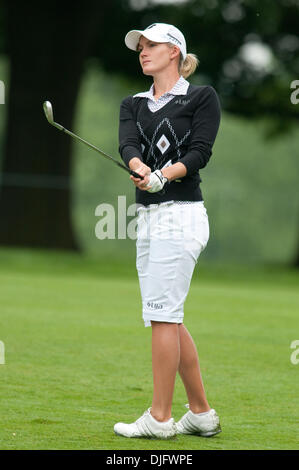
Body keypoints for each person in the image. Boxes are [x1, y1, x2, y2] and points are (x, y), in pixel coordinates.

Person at [114, 23, 221, 439]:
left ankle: (160, 418)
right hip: (149, 218)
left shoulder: (201, 97)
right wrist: (141, 170)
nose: (143, 52)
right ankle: (199, 413)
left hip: (183, 215)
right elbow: (128, 146)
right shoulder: (133, 103)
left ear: (174, 51)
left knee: (162, 316)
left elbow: (200, 152)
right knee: (168, 317)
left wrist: (165, 175)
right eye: (140, 47)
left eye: (152, 45)